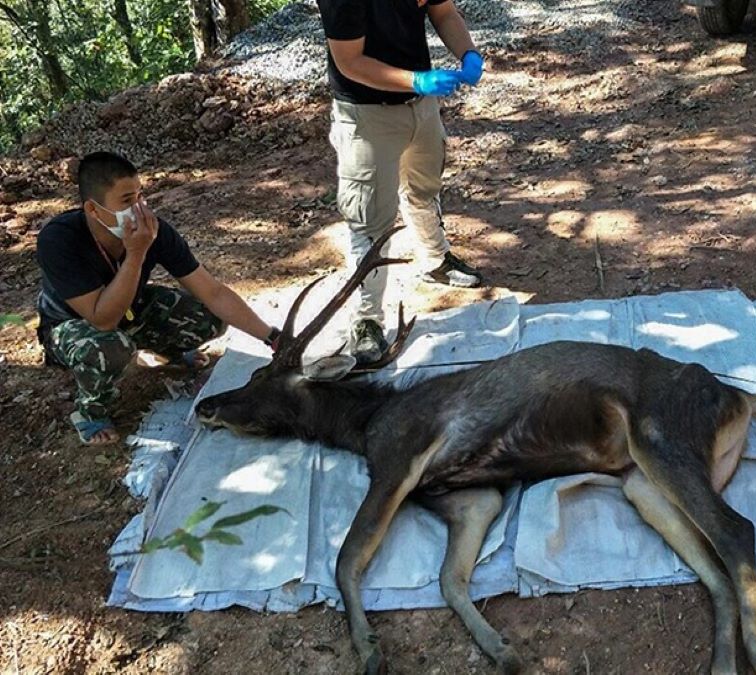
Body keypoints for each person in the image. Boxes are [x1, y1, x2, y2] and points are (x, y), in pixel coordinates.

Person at [35, 152, 279, 445]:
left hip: (130, 312)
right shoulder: (58, 240)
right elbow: (102, 319)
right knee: (110, 347)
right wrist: (136, 253)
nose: (139, 208)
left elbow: (212, 292)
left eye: (140, 195)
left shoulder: (154, 231)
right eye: (127, 201)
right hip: (75, 327)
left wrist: (273, 337)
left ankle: (166, 352)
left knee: (208, 318)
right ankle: (90, 413)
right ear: (93, 209)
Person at [318, 0, 486, 364]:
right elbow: (350, 62)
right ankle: (366, 320)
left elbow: (443, 12)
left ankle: (435, 259)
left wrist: (468, 52)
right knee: (370, 219)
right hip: (366, 114)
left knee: (424, 188)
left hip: (421, 105)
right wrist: (416, 79)